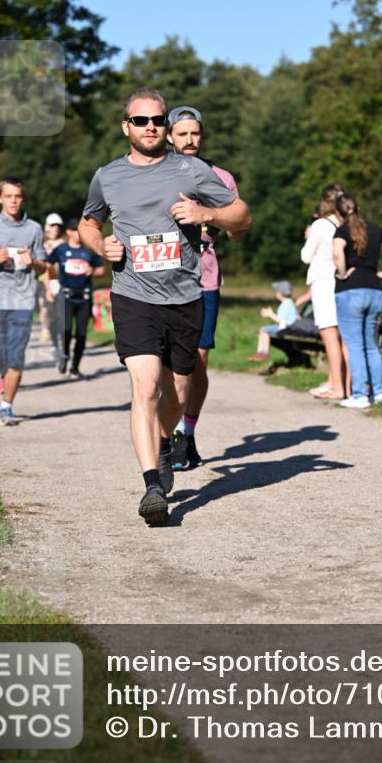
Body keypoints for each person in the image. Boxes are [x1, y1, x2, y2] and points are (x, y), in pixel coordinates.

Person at [79, 87, 251, 527]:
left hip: (185, 296)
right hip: (133, 294)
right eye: (141, 121)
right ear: (126, 127)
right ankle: (152, 485)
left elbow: (241, 216)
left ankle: (162, 441)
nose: (151, 127)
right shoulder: (108, 176)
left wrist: (205, 215)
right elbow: (88, 223)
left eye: (157, 120)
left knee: (176, 392)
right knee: (146, 387)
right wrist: (103, 246)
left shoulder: (191, 169)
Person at [166, 105, 248, 470]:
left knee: (197, 362)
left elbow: (239, 229)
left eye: (195, 133)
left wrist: (212, 216)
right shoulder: (154, 174)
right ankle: (163, 435)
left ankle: (187, 432)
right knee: (164, 364)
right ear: (169, 136)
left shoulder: (221, 177)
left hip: (205, 280)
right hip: (162, 281)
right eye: (182, 133)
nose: (189, 140)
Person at [0, 177, 47, 425]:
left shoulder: (34, 229)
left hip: (23, 300)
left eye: (17, 196)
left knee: (16, 357)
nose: (13, 201)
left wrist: (32, 262)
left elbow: (43, 265)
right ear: (0, 198)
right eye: (8, 196)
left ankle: (6, 407)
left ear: (22, 198)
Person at [332, 193, 382, 409]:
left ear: (337, 212)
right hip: (374, 289)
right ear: (358, 207)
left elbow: (337, 253)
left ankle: (360, 395)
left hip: (350, 291)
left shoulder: (342, 230)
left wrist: (342, 274)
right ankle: (379, 392)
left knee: (354, 345)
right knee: (370, 344)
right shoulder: (375, 228)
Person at [301, 183, 348, 400]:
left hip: (323, 283)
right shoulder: (346, 222)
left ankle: (336, 388)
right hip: (343, 283)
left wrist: (309, 235)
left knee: (329, 335)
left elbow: (306, 257)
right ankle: (340, 383)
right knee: (343, 337)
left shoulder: (320, 225)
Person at [47, 218, 104, 376]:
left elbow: (101, 270)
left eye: (80, 230)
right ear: (68, 232)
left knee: (81, 334)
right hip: (66, 296)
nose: (78, 234)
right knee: (66, 330)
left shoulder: (89, 250)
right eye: (74, 230)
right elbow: (48, 265)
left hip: (84, 297)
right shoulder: (61, 249)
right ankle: (64, 357)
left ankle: (75, 366)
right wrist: (50, 285)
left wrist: (91, 271)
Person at [248, 281, 298, 361]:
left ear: (280, 293)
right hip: (288, 326)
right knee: (264, 329)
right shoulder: (289, 303)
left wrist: (270, 314)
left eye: (277, 291)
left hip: (286, 328)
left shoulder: (285, 304)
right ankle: (260, 352)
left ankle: (263, 352)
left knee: (264, 330)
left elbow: (280, 320)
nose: (276, 293)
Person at [39, 213, 65, 350]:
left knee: (59, 312)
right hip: (44, 281)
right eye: (53, 226)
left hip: (60, 281)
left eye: (57, 226)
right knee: (45, 308)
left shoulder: (62, 243)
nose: (55, 228)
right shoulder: (42, 243)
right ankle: (46, 329)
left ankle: (58, 336)